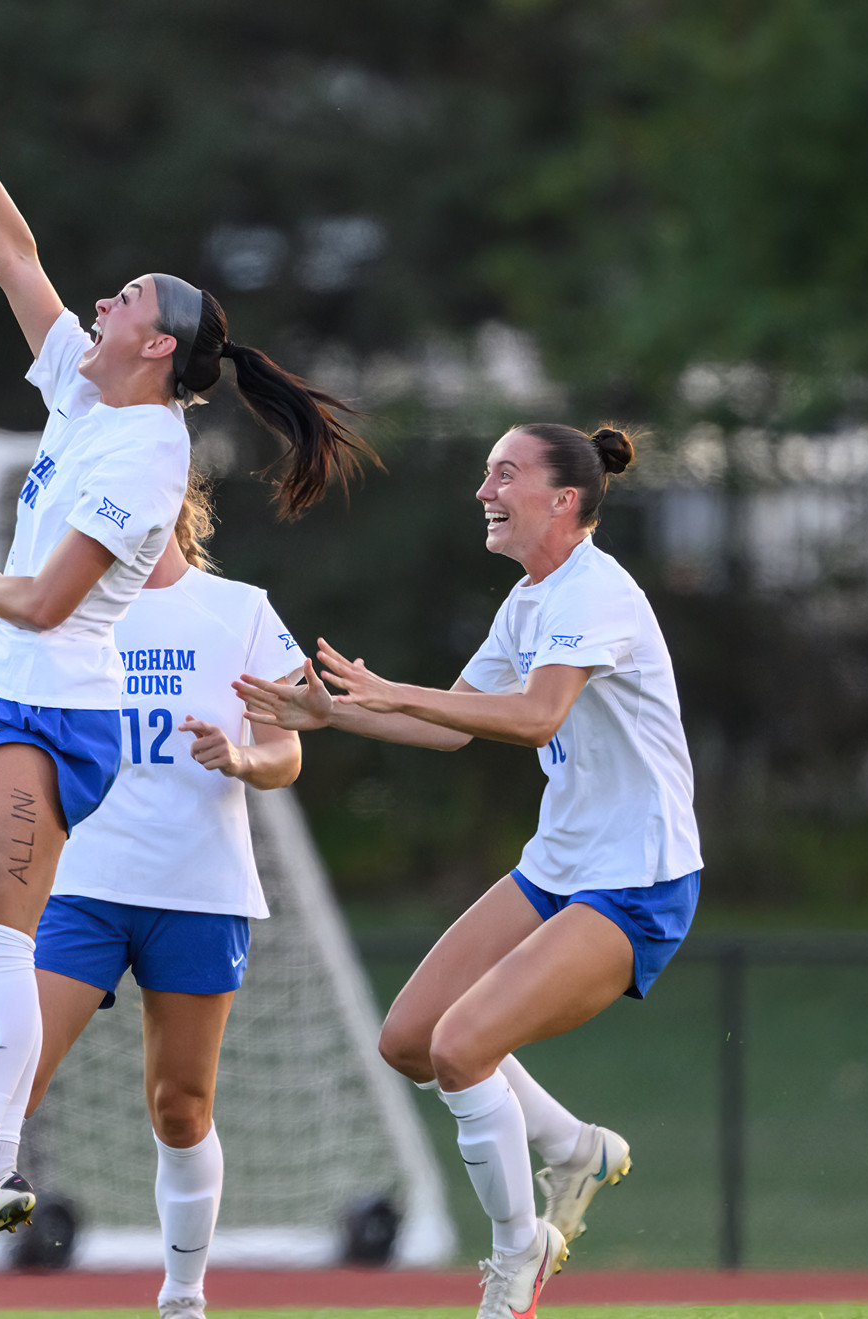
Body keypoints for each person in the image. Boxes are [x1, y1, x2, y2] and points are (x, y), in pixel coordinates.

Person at [0, 39, 374, 1289]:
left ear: (158, 348)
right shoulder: (90, 403)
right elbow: (15, 258)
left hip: (50, 711)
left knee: (3, 969)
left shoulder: (143, 457)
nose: (103, 302)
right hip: (2, 697)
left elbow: (42, 603)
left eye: (129, 301)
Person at [236, 423, 699, 1319]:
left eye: (504, 474)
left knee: (461, 1047)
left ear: (564, 499)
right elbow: (455, 723)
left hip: (637, 883)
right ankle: (572, 1147)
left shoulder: (594, 591)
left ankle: (517, 1261)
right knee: (410, 1040)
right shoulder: (530, 600)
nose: (484, 490)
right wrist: (335, 713)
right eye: (487, 473)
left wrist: (392, 689)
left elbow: (531, 716)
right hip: (559, 867)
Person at [0, 478, 304, 1319]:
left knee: (181, 1105)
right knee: (4, 1080)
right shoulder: (61, 611)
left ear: (167, 499)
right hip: (79, 890)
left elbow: (285, 752)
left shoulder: (237, 607)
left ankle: (182, 1299)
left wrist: (243, 759)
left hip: (197, 892)